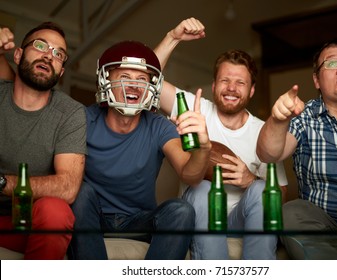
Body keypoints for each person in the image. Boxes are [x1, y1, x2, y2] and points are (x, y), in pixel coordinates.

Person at [68, 30, 212, 258]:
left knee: (181, 211)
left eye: (142, 80)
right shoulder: (83, 119)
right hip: (92, 216)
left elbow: (190, 174)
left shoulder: (158, 126)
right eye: (125, 77)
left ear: (152, 87)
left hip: (138, 220)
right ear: (106, 80)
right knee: (81, 192)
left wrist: (203, 147)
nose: (134, 86)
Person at [153, 19, 288, 259]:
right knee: (203, 187)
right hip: (199, 212)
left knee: (261, 189)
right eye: (225, 80)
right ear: (214, 85)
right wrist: (173, 36)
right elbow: (148, 81)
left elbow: (282, 195)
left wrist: (250, 179)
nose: (231, 88)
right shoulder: (194, 108)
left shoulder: (265, 133)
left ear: (251, 90)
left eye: (240, 82)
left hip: (241, 220)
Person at [257, 38, 337, 259]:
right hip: (322, 229)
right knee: (291, 212)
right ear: (316, 80)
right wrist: (278, 119)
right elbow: (268, 154)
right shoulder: (304, 116)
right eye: (330, 64)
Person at [0, 23, 87, 259]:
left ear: (60, 72)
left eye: (59, 54)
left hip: (26, 221)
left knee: (56, 211)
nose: (49, 55)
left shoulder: (70, 113)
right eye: (40, 46)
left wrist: (2, 182)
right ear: (17, 55)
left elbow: (68, 187)